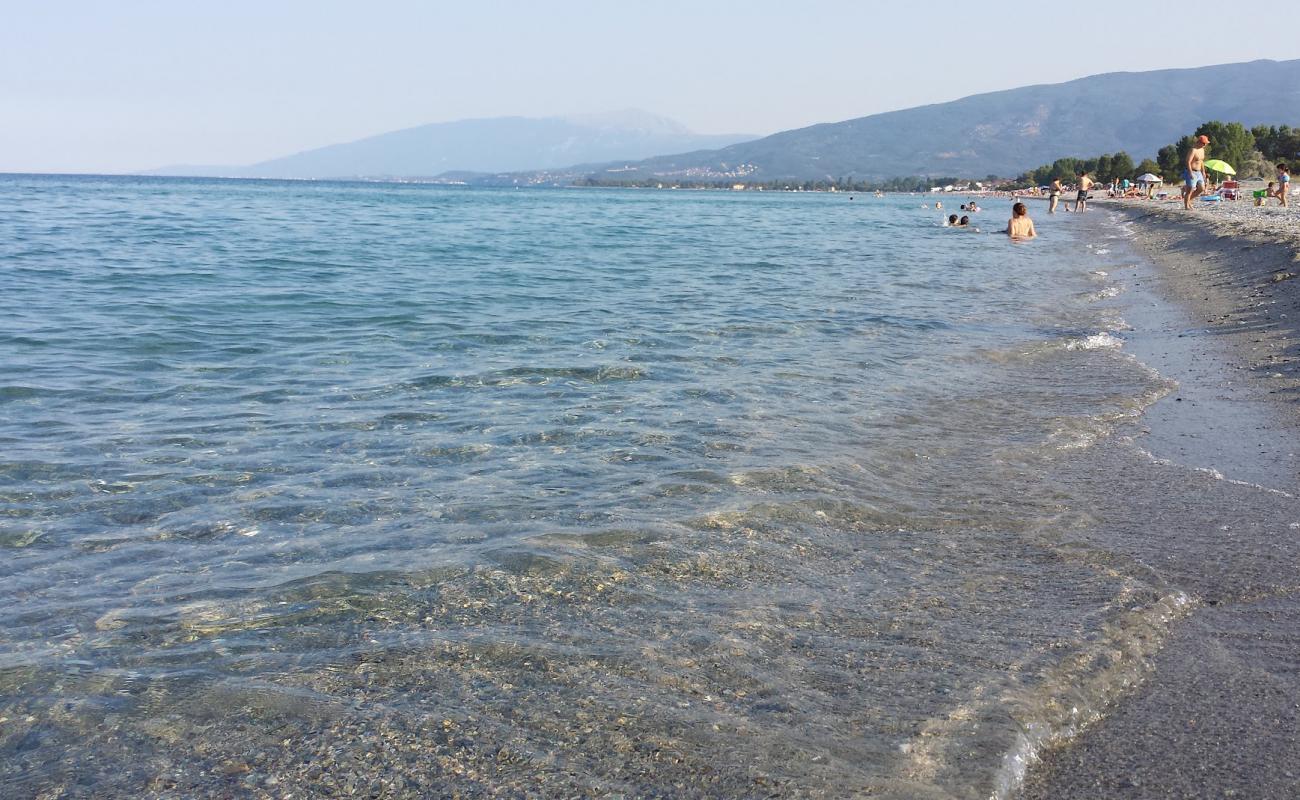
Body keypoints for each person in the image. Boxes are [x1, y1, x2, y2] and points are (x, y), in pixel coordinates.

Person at [1183, 134, 1210, 209]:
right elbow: (1188, 161)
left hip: (1199, 172)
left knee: (1201, 188)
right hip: (1192, 171)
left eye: (1206, 143)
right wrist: (1190, 172)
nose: (1204, 145)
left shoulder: (1202, 150)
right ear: (1199, 142)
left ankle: (1189, 200)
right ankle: (1186, 206)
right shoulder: (1193, 150)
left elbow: (1201, 161)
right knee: (1190, 189)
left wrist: (1203, 172)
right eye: (1203, 143)